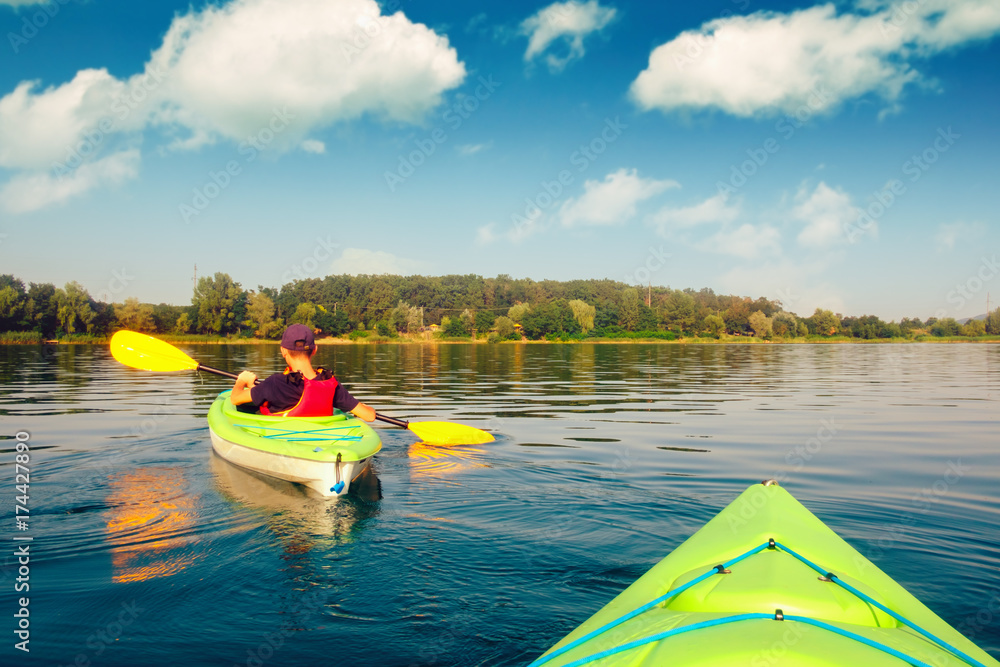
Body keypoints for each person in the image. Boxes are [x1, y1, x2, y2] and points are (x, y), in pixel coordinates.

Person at [229, 323, 376, 421]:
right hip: (322, 443)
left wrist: (242, 380)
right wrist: (363, 406)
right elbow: (369, 416)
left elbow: (235, 398)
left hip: (287, 443)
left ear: (283, 351)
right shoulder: (329, 383)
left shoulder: (276, 383)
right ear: (315, 350)